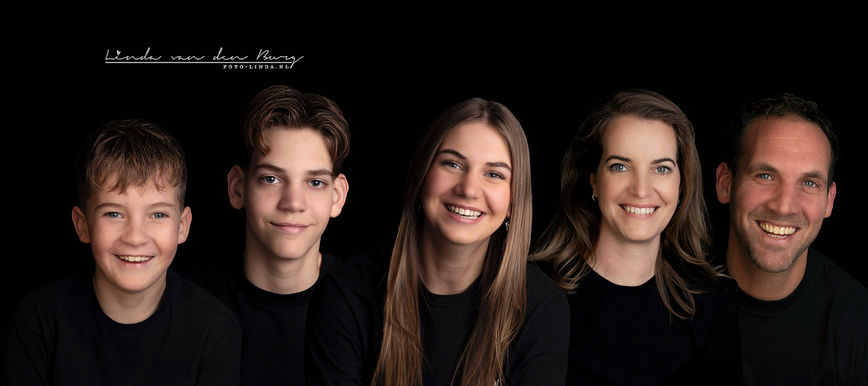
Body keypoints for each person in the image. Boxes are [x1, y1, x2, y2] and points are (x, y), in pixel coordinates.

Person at [305, 97, 569, 386]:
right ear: (422, 177)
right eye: (452, 164)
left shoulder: (540, 307)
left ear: (512, 203)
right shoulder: (348, 293)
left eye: (494, 174)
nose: (468, 189)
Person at [1, 119, 242, 385]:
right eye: (114, 213)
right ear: (83, 225)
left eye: (158, 214)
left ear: (183, 226)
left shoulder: (214, 331)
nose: (135, 237)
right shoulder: (37, 322)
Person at [531, 89, 742, 385]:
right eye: (620, 166)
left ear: (682, 184)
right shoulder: (535, 292)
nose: (641, 189)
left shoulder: (712, 303)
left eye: (661, 168)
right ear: (593, 180)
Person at [189, 84, 350, 385]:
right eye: (271, 178)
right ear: (238, 187)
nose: (293, 203)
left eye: (315, 182)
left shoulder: (366, 306)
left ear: (337, 196)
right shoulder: (189, 305)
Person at [715, 93, 868, 385]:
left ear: (829, 201)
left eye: (809, 183)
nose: (784, 206)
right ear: (725, 184)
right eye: (765, 176)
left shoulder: (858, 324)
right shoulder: (668, 297)